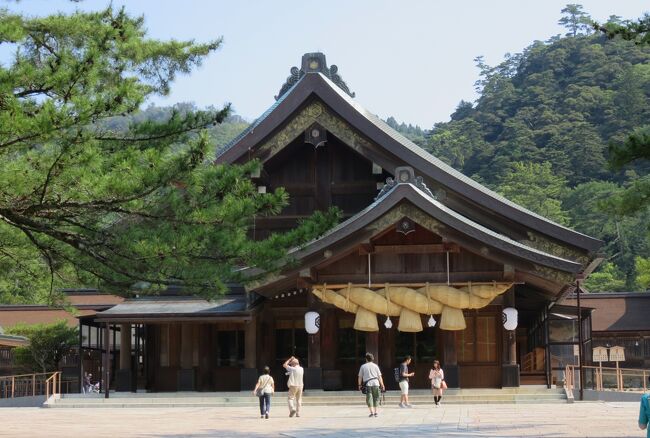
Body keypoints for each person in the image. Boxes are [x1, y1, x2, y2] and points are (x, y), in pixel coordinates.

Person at [358, 352, 385, 417]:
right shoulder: (376, 366)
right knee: (376, 397)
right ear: (372, 359)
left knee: (369, 398)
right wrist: (382, 385)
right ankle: (376, 412)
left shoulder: (363, 366)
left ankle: (372, 412)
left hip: (368, 384)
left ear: (366, 359)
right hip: (376, 383)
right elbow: (379, 376)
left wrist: (359, 385)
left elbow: (360, 377)